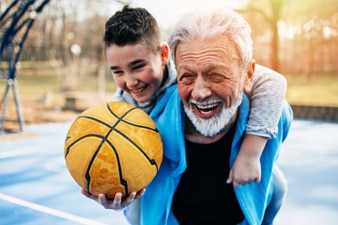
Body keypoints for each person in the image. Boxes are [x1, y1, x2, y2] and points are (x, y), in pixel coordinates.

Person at [83, 5, 292, 225]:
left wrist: (250, 153)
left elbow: (273, 81)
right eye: (188, 76)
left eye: (216, 74)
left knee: (276, 187)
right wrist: (115, 189)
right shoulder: (126, 117)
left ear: (164, 57)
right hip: (157, 188)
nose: (131, 81)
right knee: (138, 211)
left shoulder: (189, 58)